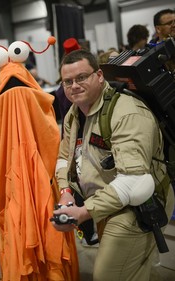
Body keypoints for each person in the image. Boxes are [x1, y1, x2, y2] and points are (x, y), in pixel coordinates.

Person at [52, 49, 175, 281]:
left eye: (81, 77)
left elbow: (135, 182)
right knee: (134, 268)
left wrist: (83, 212)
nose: (74, 86)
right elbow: (64, 157)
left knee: (108, 275)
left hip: (139, 206)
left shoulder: (126, 112)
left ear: (99, 76)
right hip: (105, 201)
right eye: (67, 81)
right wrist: (65, 192)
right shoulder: (74, 113)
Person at [0, 39, 79, 280]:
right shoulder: (35, 98)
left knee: (18, 218)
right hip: (44, 179)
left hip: (13, 185)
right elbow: (51, 140)